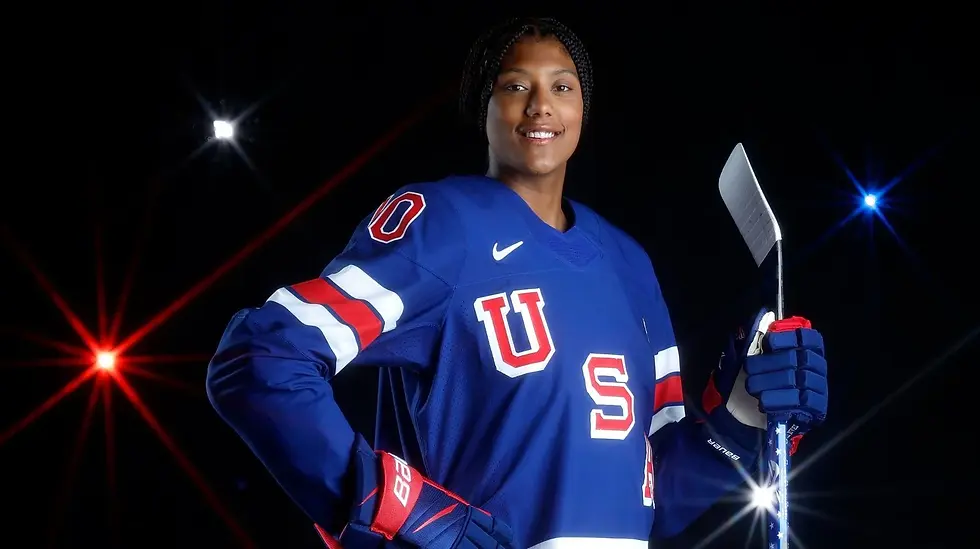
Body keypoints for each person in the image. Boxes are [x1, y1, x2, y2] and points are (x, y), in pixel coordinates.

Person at [206, 16, 829, 549]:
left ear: (584, 108)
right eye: (515, 86)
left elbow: (658, 496)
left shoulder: (629, 264)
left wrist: (743, 415)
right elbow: (261, 356)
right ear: (484, 106)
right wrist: (390, 502)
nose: (541, 105)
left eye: (562, 86)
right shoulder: (444, 225)